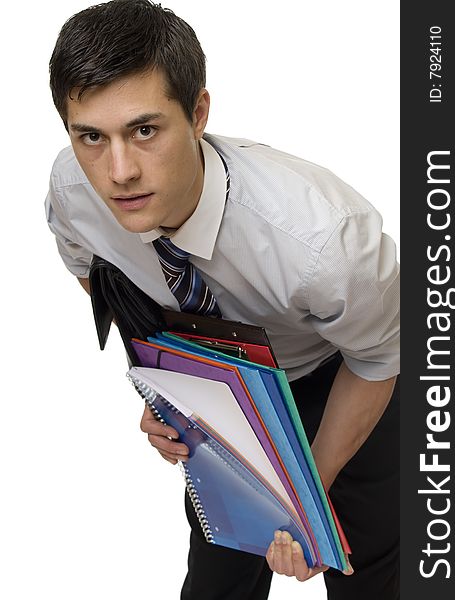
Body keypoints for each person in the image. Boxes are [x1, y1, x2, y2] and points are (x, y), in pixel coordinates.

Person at [45, 1, 400, 598]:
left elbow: (380, 356)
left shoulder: (324, 241)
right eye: (91, 137)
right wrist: (172, 388)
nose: (120, 172)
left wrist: (304, 498)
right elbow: (97, 277)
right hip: (226, 387)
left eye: (145, 129)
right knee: (216, 577)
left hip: (343, 371)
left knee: (368, 569)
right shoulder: (73, 191)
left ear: (199, 112)